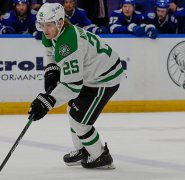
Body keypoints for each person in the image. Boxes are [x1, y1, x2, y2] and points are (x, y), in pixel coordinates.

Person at [29, 2, 126, 169]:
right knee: (73, 111)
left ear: (60, 22)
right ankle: (83, 149)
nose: (45, 29)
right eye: (42, 25)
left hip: (104, 78)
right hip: (91, 75)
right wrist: (51, 68)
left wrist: (47, 102)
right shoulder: (52, 31)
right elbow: (49, 50)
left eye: (49, 25)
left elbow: (72, 86)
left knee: (80, 122)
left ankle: (101, 156)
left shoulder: (68, 44)